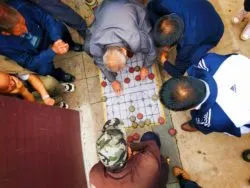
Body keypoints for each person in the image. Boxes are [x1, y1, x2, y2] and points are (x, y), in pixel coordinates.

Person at [159, 53, 250, 137]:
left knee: (202, 124)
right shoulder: (208, 60)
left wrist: (199, 124)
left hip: (241, 123)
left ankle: (195, 125)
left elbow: (230, 127)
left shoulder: (214, 119)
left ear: (191, 108)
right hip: (242, 65)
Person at [0, 0, 84, 82]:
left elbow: (46, 18)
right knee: (43, 70)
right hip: (35, 53)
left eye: (24, 22)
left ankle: (70, 44)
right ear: (6, 33)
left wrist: (57, 39)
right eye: (19, 31)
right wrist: (52, 51)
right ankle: (58, 74)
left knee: (59, 27)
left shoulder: (20, 4)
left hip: (44, 33)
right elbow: (29, 62)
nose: (26, 29)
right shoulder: (3, 45)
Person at [86, 0, 156, 95]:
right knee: (86, 46)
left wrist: (146, 67)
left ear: (124, 50)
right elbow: (99, 62)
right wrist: (113, 81)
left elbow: (152, 52)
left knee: (148, 31)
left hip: (129, 4)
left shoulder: (135, 38)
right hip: (106, 5)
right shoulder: (95, 46)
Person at [147, 0, 224, 77]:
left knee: (193, 57)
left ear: (179, 38)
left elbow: (179, 73)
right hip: (203, 6)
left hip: (215, 29)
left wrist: (164, 61)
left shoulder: (189, 43)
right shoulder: (164, 3)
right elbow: (150, 7)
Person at [89, 118, 168, 188]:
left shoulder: (94, 175)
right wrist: (131, 147)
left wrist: (125, 151)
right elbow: (151, 144)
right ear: (130, 152)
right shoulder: (148, 163)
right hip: (155, 182)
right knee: (149, 136)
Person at [0, 55, 74, 108]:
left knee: (50, 83)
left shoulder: (4, 66)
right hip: (26, 98)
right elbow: (31, 107)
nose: (13, 82)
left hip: (29, 84)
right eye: (8, 85)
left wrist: (45, 96)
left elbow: (31, 77)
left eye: (10, 78)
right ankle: (57, 102)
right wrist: (23, 91)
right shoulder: (6, 102)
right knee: (41, 106)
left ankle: (60, 88)